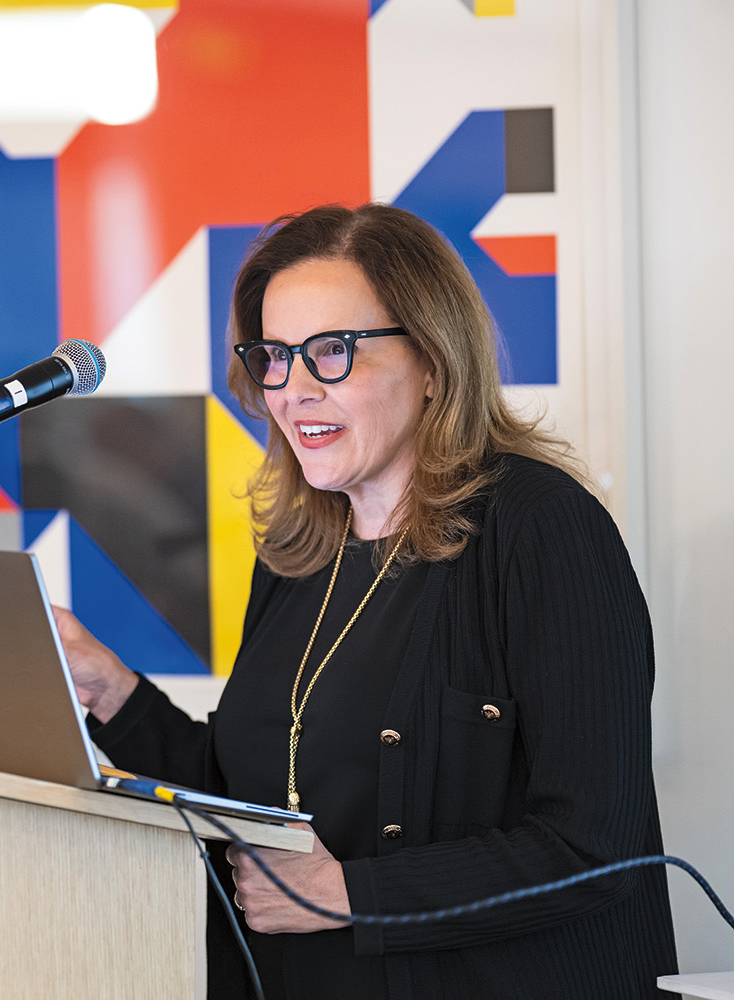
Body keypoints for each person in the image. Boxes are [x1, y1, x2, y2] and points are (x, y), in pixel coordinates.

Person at [55, 203, 678, 998]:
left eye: (332, 352)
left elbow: (595, 845)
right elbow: (260, 794)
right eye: (274, 357)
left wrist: (350, 895)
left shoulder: (540, 527)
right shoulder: (296, 551)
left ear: (432, 361)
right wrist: (111, 692)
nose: (294, 390)